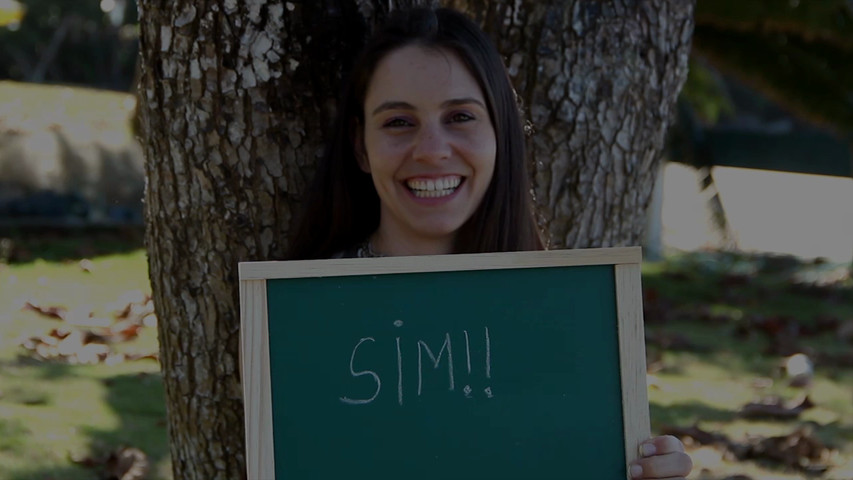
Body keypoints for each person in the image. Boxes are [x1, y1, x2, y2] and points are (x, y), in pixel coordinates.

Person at [288, 6, 692, 479]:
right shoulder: (301, 323)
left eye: (460, 116)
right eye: (399, 122)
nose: (433, 150)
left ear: (499, 133)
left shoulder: (570, 319)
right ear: (360, 146)